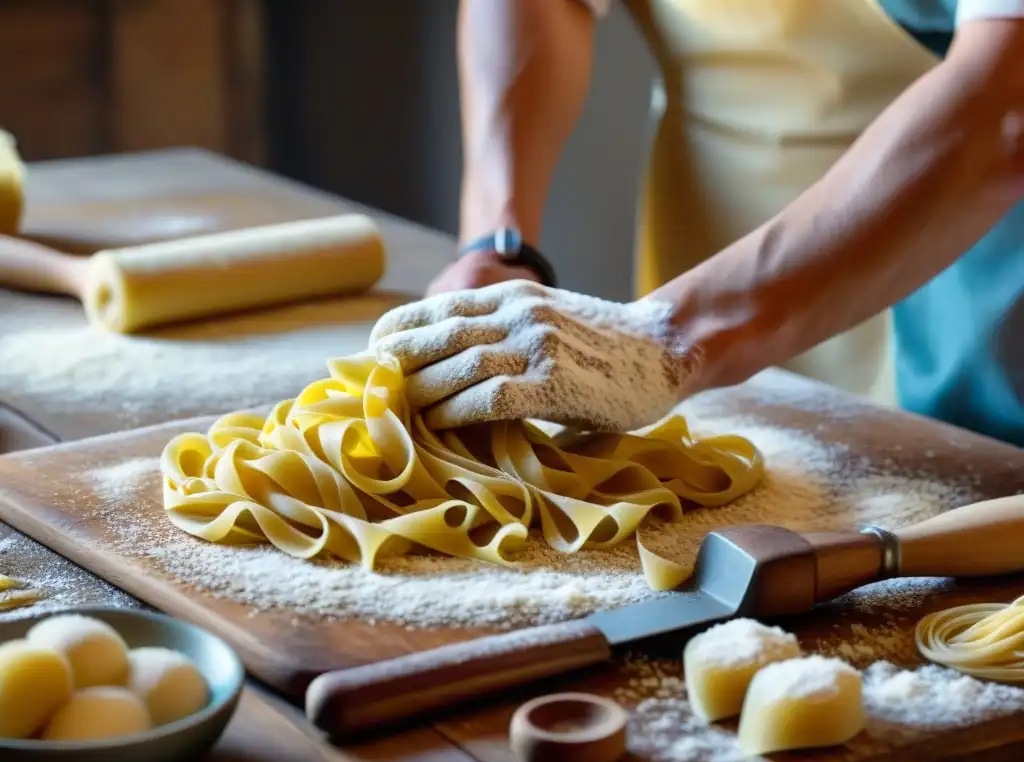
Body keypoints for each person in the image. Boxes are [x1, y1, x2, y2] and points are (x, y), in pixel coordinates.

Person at [371, 0, 1024, 446]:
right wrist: (498, 241)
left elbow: (1003, 102)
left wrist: (673, 338)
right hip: (708, 246)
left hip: (965, 272)